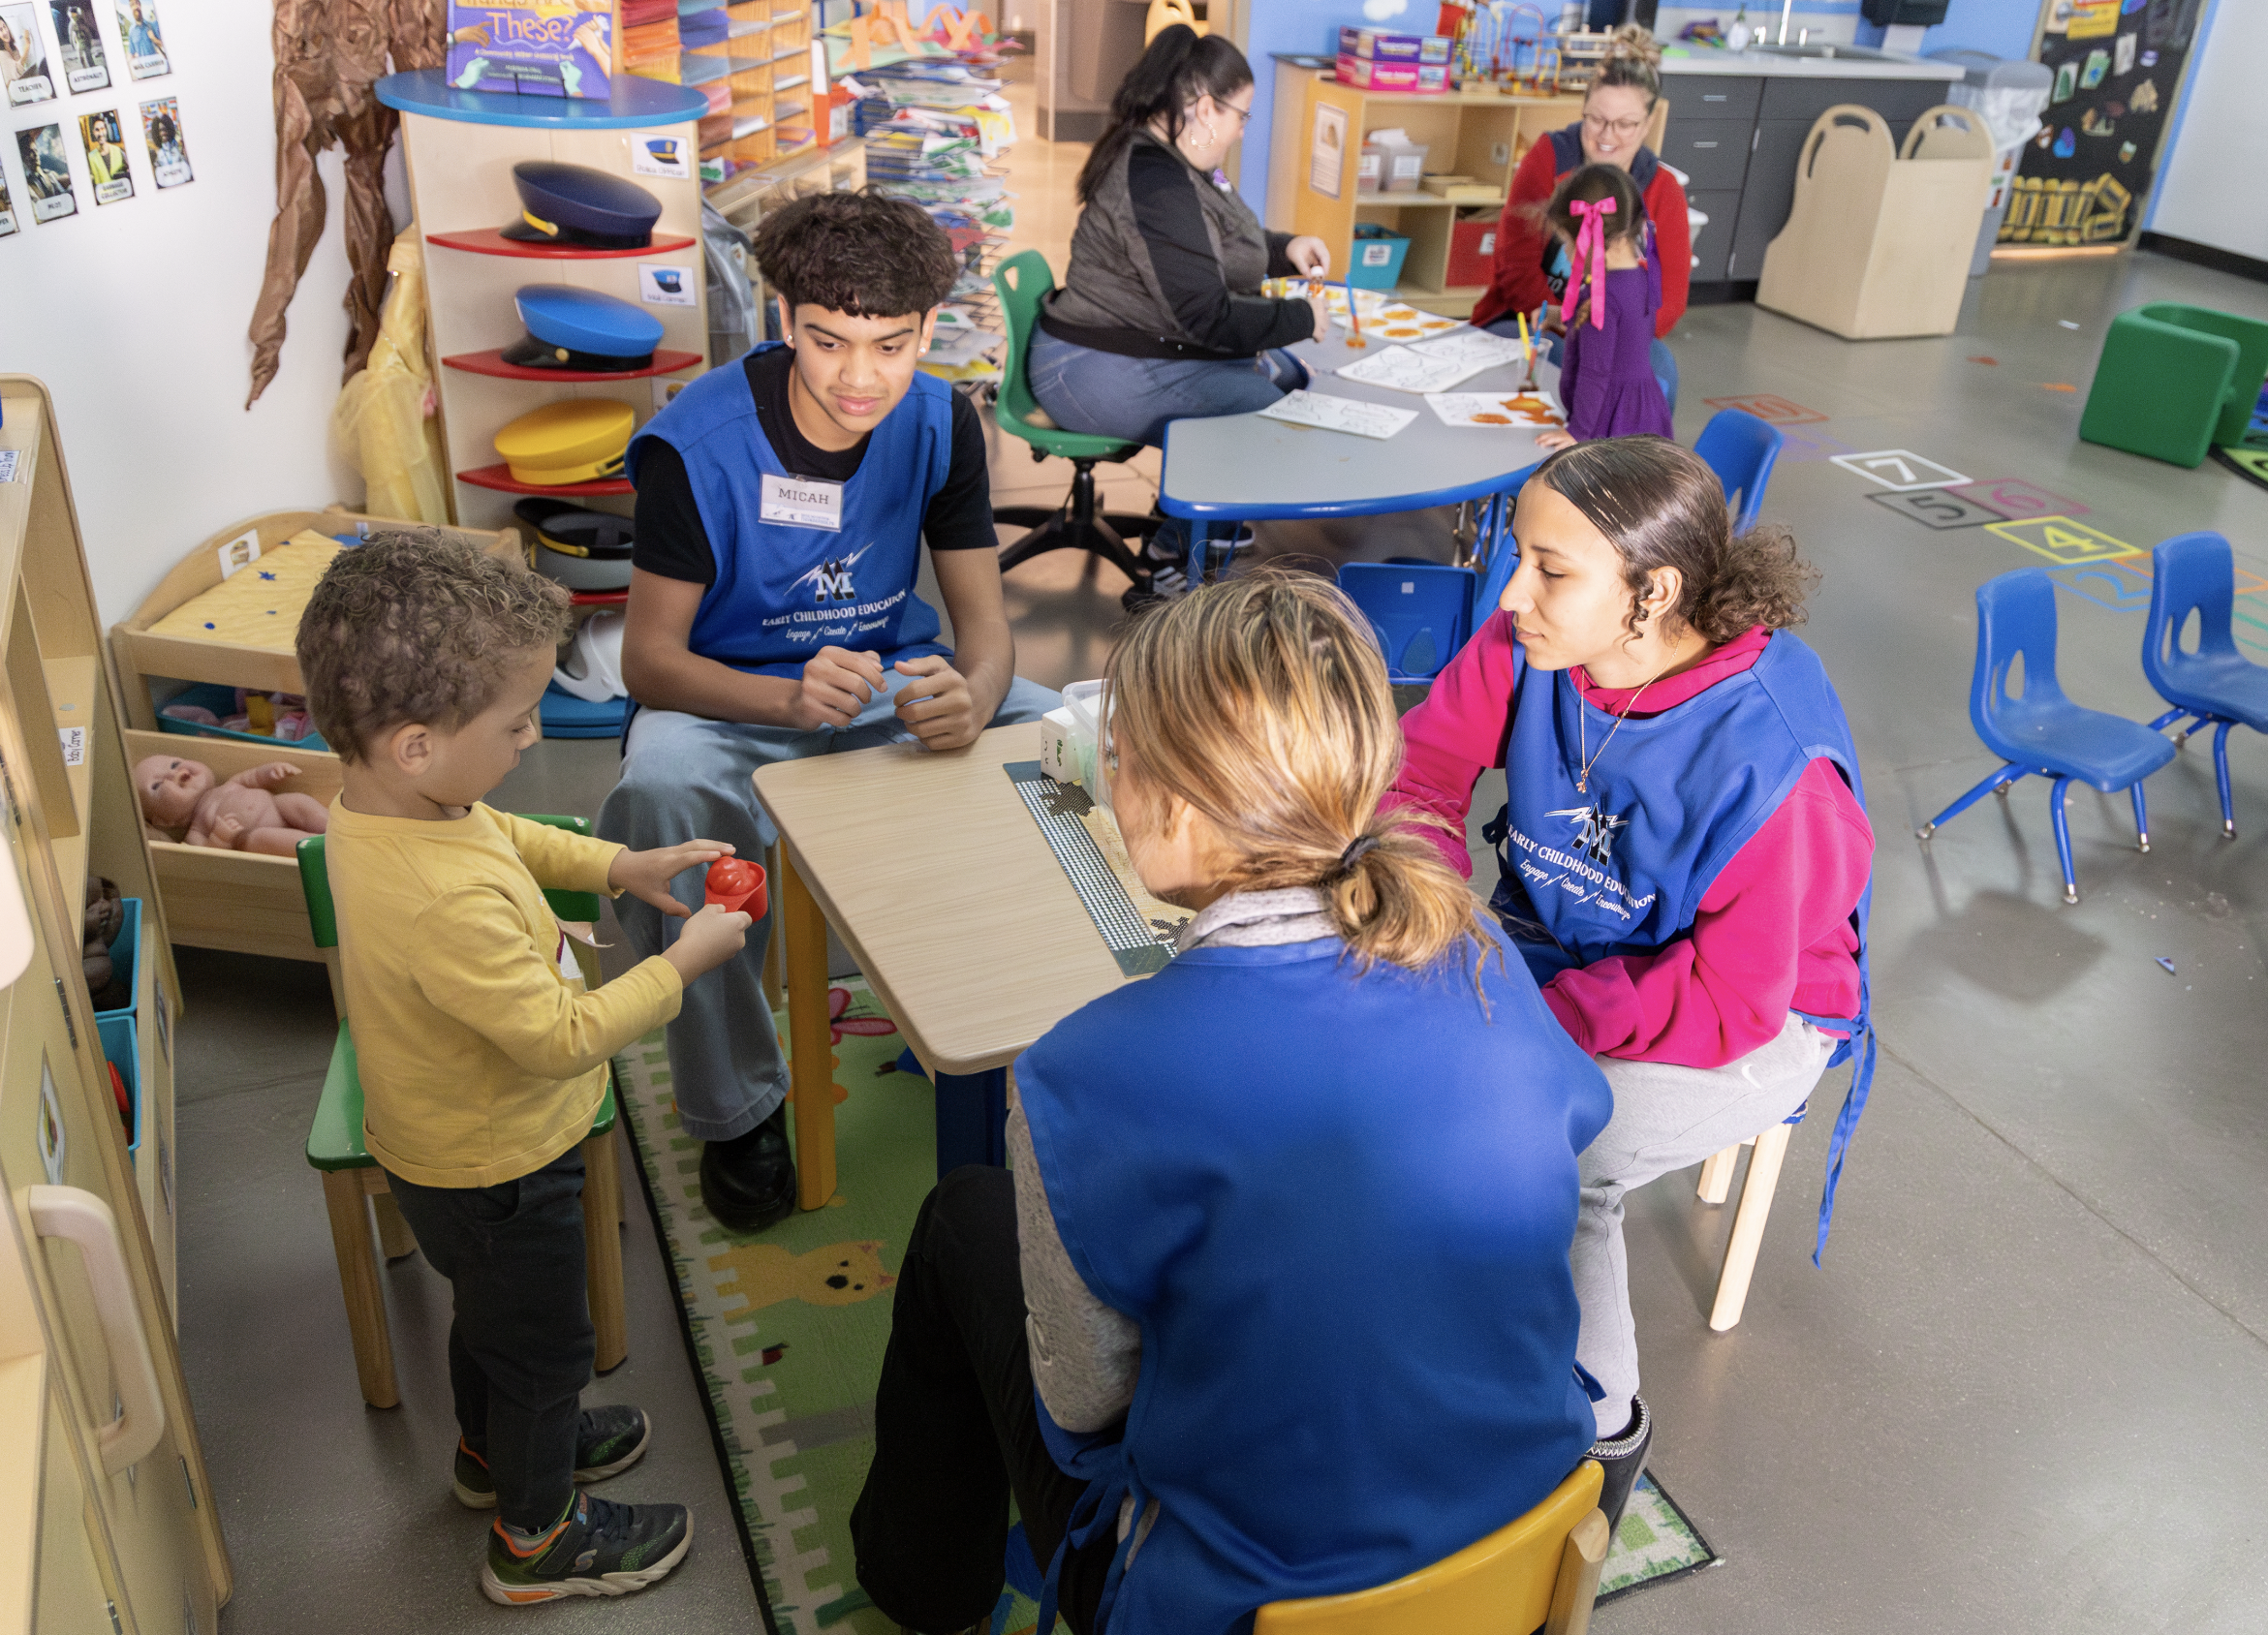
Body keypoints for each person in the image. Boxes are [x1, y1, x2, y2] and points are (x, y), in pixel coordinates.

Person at [849, 572, 1615, 1635]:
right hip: (1520, 1541)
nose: (1110, 776)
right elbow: (1573, 1122)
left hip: (1233, 1603)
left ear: (1182, 802)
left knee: (958, 1224)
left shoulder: (1083, 1070)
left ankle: (923, 1596)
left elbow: (1082, 1411)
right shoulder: (1476, 948)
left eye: (1118, 753)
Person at [1384, 437, 1877, 1499]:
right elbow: (1423, 773)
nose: (1514, 592)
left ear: (1652, 592)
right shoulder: (1533, 640)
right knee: (1372, 1038)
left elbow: (1728, 998)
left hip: (1757, 1017)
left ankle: (1598, 1442)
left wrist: (1532, 1013)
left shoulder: (1771, 760)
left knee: (1558, 1152)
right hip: (1564, 953)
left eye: (1552, 569)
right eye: (1520, 554)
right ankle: (1433, 1314)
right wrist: (1430, 903)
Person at [297, 531, 755, 1606]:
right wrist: (683, 961)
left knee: (489, 1318)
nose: (534, 736)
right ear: (415, 742)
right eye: (515, 723)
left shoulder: (390, 805)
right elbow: (559, 1037)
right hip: (502, 1161)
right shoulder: (442, 899)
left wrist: (619, 863)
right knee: (549, 1352)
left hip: (441, 1151)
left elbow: (501, 832)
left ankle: (486, 1452)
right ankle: (537, 1539)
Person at [598, 189, 1061, 1233]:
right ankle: (735, 1109)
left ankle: (1024, 1019)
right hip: (725, 695)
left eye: (891, 345)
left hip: (883, 683)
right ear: (782, 318)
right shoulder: (694, 446)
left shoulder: (943, 421)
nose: (861, 377)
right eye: (828, 340)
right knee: (666, 791)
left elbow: (986, 635)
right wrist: (781, 697)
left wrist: (972, 694)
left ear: (929, 332)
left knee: (1069, 733)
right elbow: (648, 662)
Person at [1026, 24, 1331, 606]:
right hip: (1088, 364)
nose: (1244, 128)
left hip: (1125, 344)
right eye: (1241, 115)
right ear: (1205, 109)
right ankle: (1170, 556)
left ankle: (1201, 518)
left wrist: (1285, 249)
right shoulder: (1155, 178)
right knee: (1264, 410)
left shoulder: (1177, 158)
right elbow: (1206, 317)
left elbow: (1215, 247)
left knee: (1286, 375)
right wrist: (1301, 317)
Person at [1473, 28, 1687, 407]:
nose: (1608, 135)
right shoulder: (1549, 159)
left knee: (1660, 368)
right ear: (1582, 110)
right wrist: (1574, 322)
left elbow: (1668, 299)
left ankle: (1633, 463)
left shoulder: (1663, 189)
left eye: (1626, 124)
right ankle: (1575, 456)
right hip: (1530, 320)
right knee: (1569, 362)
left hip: (1622, 334)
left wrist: (1613, 331)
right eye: (1597, 120)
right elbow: (1515, 270)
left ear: (1648, 124)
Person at [1536, 165, 1673, 447]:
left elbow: (1595, 371)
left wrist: (1577, 432)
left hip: (1610, 423)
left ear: (1592, 238)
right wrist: (1559, 317)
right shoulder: (1639, 277)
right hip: (1643, 411)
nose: (1564, 250)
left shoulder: (1602, 298)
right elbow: (1621, 340)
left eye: (1566, 241)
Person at [0, 12, 49, 92]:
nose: (5, 31)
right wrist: (27, 44)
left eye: (5, 27)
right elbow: (17, 72)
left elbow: (21, 71)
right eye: (1, 29)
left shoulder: (14, 49)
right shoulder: (1, 54)